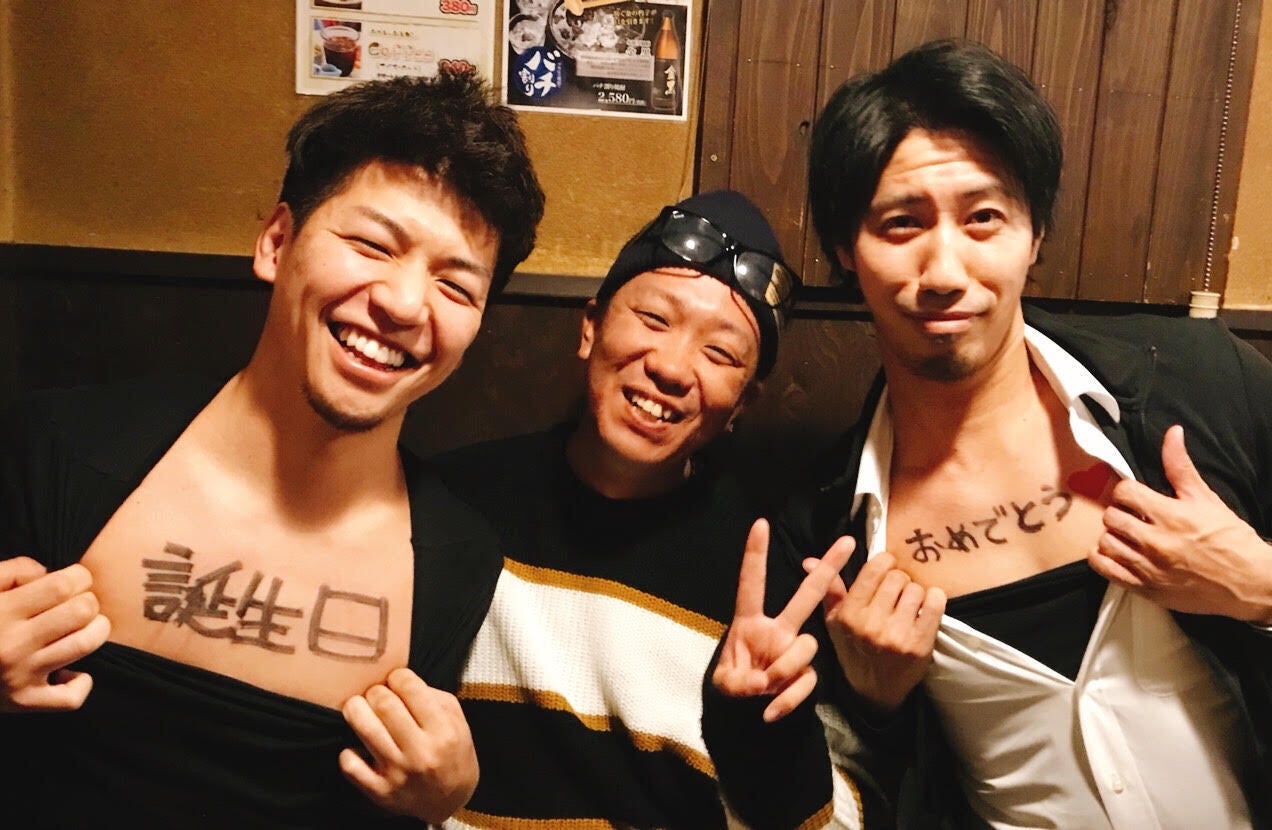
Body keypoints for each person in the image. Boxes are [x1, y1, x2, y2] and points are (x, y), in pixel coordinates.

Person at [705, 39, 1272, 829]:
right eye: (900, 224)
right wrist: (867, 706)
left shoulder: (1198, 387)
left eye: (983, 219)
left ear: (1034, 234)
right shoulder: (827, 538)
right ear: (845, 249)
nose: (945, 271)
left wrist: (1258, 584)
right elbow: (830, 799)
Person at [0, 70, 544, 827]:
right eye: (371, 244)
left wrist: (434, 806)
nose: (403, 303)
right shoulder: (60, 448)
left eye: (456, 286)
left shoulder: (458, 556)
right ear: (277, 242)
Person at [426, 190, 862, 828]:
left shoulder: (769, 582)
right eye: (655, 319)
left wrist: (758, 734)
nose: (673, 367)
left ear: (742, 404)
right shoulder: (450, 507)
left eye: (720, 353)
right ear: (590, 327)